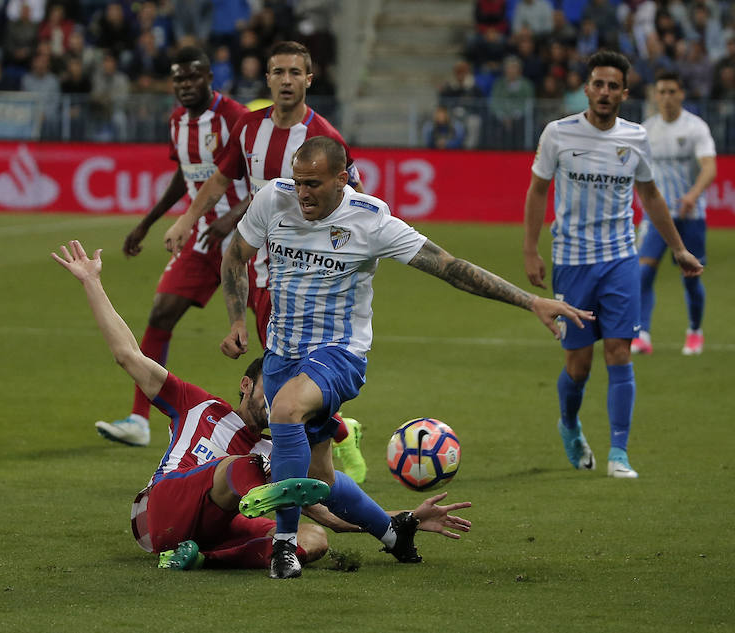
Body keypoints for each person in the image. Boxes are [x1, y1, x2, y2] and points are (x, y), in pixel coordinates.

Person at [217, 135, 594, 578]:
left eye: (314, 184)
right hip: (282, 353)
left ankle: (283, 546)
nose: (302, 194)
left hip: (339, 354)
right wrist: (238, 320)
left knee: (284, 410)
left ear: (342, 179)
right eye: (298, 182)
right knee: (321, 477)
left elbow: (449, 266)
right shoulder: (272, 201)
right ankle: (393, 533)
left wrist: (530, 302)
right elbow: (235, 256)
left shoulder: (370, 221)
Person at [51, 239, 473, 573]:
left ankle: (200, 559)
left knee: (312, 538)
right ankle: (213, 532)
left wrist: (406, 519)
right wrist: (92, 282)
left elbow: (334, 515)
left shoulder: (280, 453)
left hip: (212, 533)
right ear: (246, 384)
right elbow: (130, 356)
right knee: (241, 468)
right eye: (271, 389)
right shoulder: (196, 404)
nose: (279, 401)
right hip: (163, 510)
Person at [162, 41, 368, 484]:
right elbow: (221, 180)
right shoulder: (249, 128)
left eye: (296, 72)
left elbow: (354, 205)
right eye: (279, 72)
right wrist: (187, 219)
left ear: (309, 79)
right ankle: (326, 448)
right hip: (258, 276)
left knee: (296, 380)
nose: (287, 80)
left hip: (307, 280)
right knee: (281, 379)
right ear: (269, 79)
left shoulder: (326, 140)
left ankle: (321, 457)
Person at [522, 51, 703, 481]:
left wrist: (677, 248)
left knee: (620, 352)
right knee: (578, 366)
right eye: (597, 84)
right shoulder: (558, 134)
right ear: (586, 88)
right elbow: (537, 191)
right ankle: (569, 423)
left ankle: (618, 453)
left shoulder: (636, 138)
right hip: (572, 262)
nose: (604, 93)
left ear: (625, 92)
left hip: (620, 258)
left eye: (612, 86)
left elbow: (652, 196)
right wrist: (531, 249)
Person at [94, 47, 250, 449]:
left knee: (272, 327)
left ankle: (328, 423)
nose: (184, 86)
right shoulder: (178, 120)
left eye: (192, 77)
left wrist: (229, 219)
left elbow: (259, 176)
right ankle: (138, 419)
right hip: (200, 232)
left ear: (209, 77)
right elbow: (185, 176)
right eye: (178, 79)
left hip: (248, 232)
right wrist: (147, 223)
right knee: (161, 311)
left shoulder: (234, 117)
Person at [632, 71, 716, 357]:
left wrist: (693, 194)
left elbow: (709, 167)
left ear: (681, 94)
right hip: (656, 216)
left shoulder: (696, 128)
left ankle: (694, 331)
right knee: (643, 273)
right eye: (662, 92)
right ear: (655, 96)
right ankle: (642, 333)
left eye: (672, 91)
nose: (666, 97)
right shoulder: (645, 131)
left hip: (691, 216)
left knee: (690, 278)